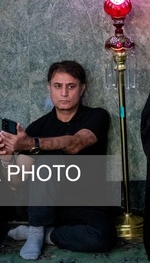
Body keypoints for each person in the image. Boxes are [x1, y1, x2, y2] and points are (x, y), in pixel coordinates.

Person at [0, 60, 116, 260]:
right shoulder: (37, 128)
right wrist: (6, 160)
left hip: (86, 203)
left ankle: (47, 235)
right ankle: (36, 230)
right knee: (49, 161)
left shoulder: (97, 116)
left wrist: (32, 143)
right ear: (49, 88)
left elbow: (75, 143)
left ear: (82, 88)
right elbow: (16, 182)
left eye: (71, 86)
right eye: (57, 86)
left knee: (102, 237)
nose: (64, 93)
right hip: (47, 205)